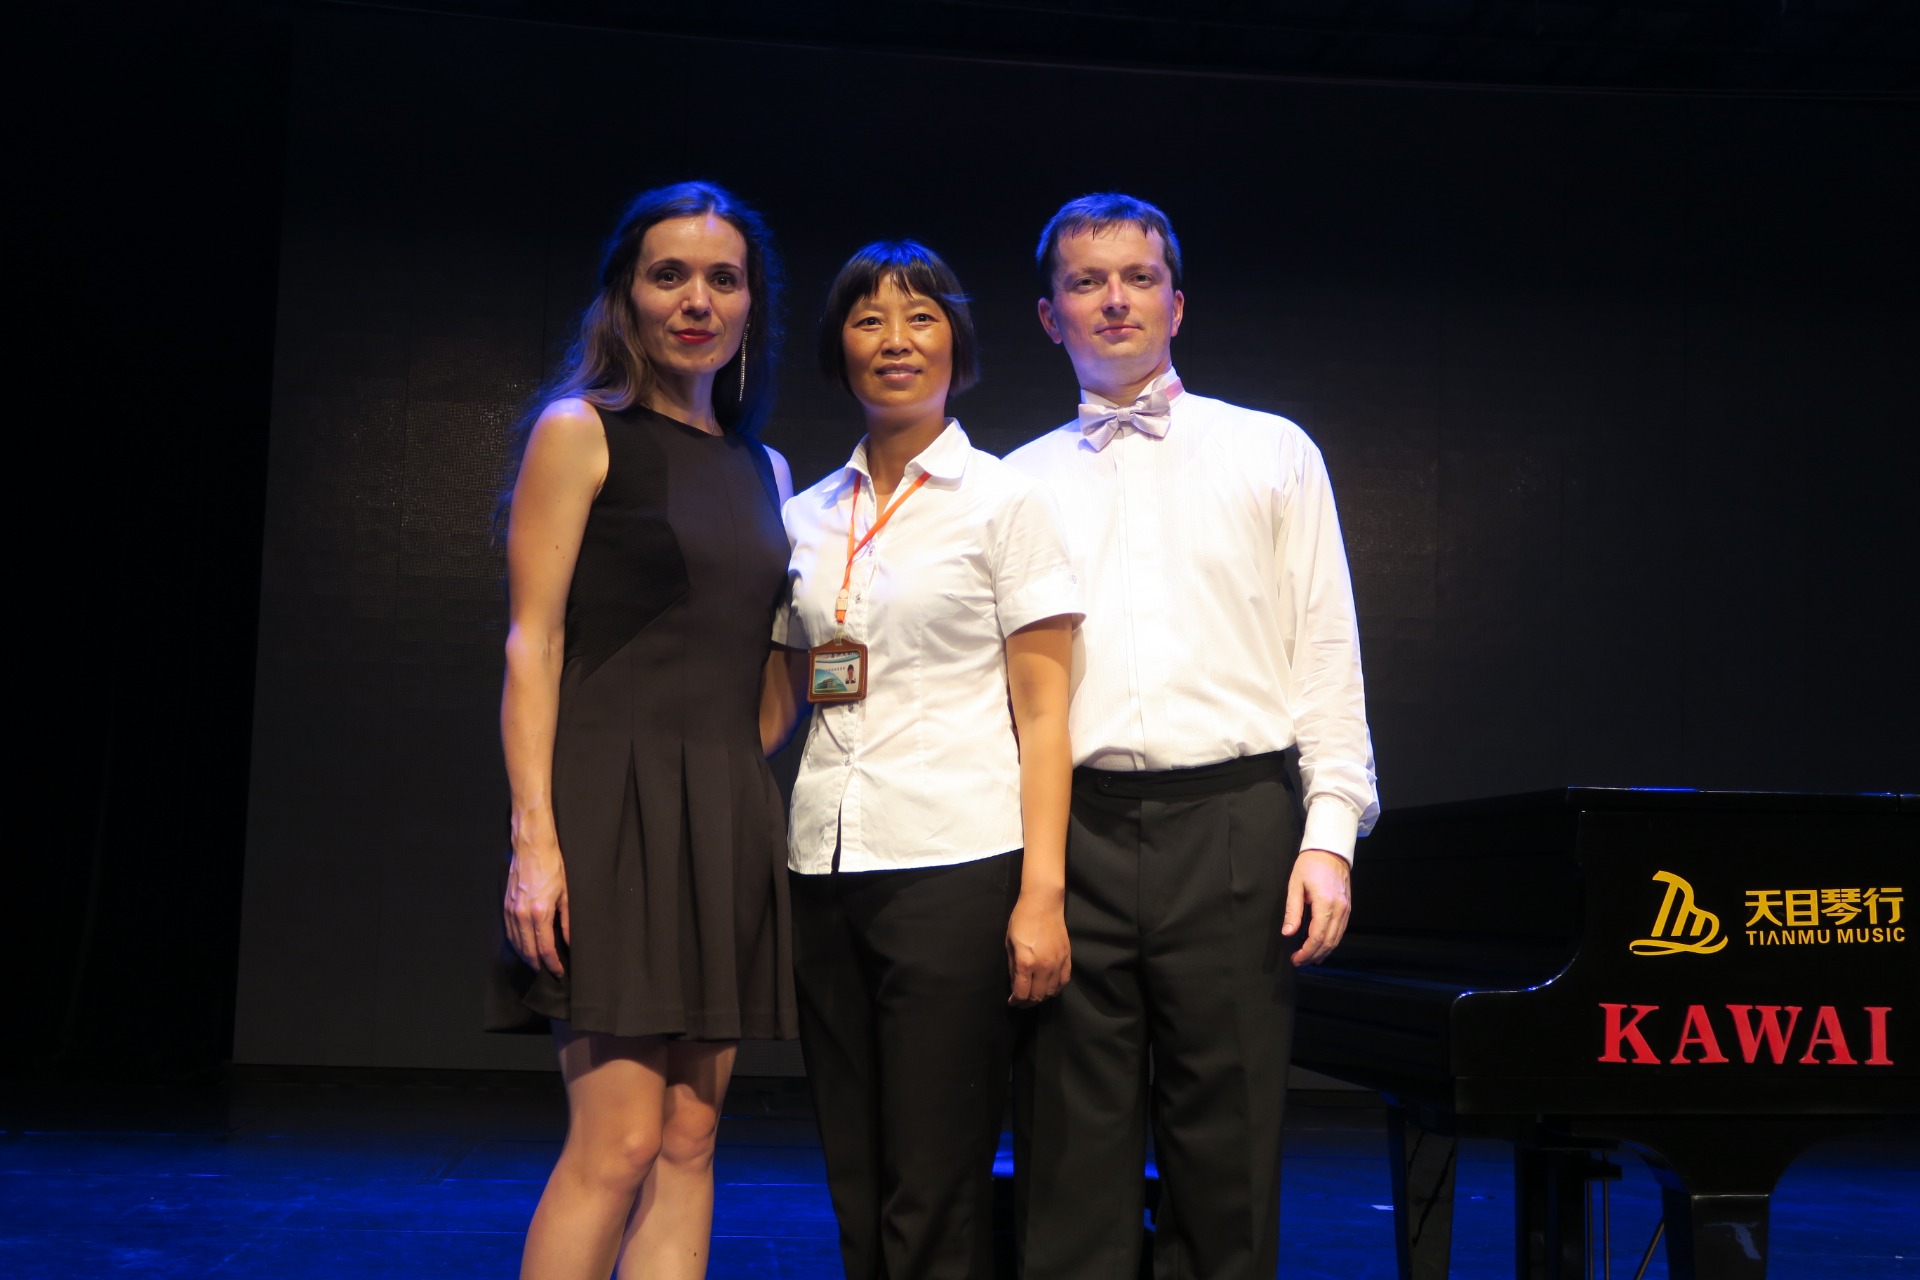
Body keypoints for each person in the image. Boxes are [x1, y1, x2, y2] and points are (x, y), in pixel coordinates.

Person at [1005, 193, 1380, 1280]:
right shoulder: (1012, 482)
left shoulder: (1272, 452)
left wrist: (1329, 834)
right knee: (1069, 1161)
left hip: (1234, 822)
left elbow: (1326, 652)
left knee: (1228, 1159)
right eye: (1086, 281)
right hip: (1071, 832)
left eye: (1139, 277)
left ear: (1178, 303)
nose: (1115, 299)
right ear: (1050, 316)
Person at [485, 181, 798, 1280]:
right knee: (615, 1141)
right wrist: (535, 837)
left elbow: (763, 671)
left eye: (723, 279)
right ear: (628, 293)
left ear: (751, 303)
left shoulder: (767, 470)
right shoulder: (581, 432)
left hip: (722, 816)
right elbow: (533, 643)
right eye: (670, 275)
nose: (697, 300)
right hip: (609, 810)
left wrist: (738, 782)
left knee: (690, 1137)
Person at [762, 241, 1082, 1279]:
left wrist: (1042, 895)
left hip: (957, 861)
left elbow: (1046, 715)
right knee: (854, 1163)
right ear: (839, 348)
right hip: (824, 865)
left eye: (920, 317)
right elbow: (780, 698)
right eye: (868, 320)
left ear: (957, 344)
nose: (894, 340)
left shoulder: (1005, 501)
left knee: (935, 1176)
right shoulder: (807, 514)